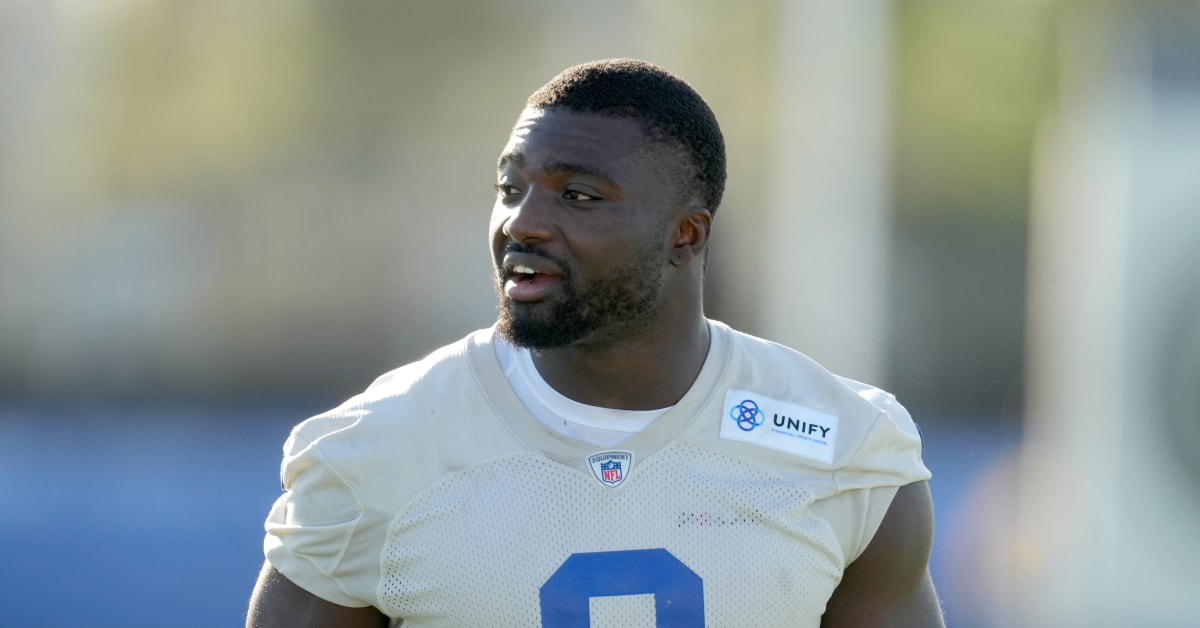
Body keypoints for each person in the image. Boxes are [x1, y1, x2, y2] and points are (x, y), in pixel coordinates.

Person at [247, 58, 944, 627]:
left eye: (577, 196)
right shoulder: (377, 451)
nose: (524, 223)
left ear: (686, 235)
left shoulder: (847, 452)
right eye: (511, 187)